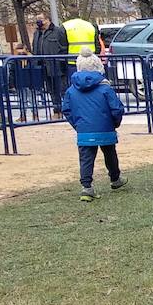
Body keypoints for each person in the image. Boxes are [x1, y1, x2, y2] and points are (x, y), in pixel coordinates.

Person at [61, 50, 127, 202]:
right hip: (105, 127)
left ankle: (87, 187)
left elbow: (67, 110)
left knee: (86, 158)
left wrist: (77, 125)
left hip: (84, 130)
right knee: (110, 153)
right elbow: (116, 108)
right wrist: (114, 123)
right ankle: (115, 179)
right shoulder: (105, 88)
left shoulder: (71, 90)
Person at [30, 13, 69, 117]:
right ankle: (57, 111)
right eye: (37, 19)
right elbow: (35, 48)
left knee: (62, 89)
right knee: (51, 90)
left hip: (57, 65)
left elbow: (64, 47)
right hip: (43, 66)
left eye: (40, 19)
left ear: (47, 20)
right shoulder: (37, 33)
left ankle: (68, 111)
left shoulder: (58, 31)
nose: (38, 21)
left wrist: (61, 61)